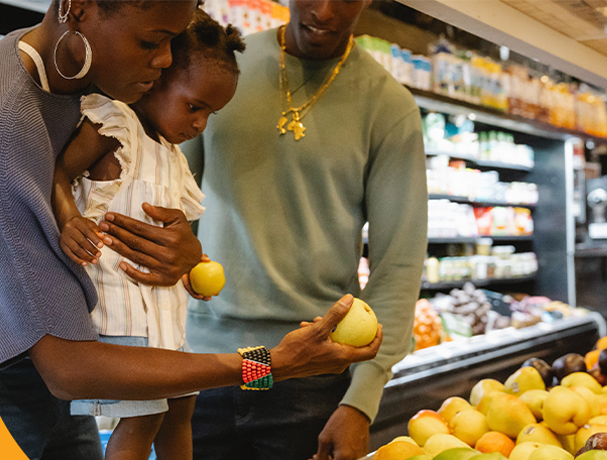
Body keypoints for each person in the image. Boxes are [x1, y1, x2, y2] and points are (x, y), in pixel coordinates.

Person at [0, 1, 382, 459]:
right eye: (154, 39)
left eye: (174, 39)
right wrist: (273, 365)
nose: (168, 60)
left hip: (72, 368)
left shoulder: (97, 73)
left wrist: (187, 253)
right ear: (80, 7)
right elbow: (70, 370)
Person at [181, 1, 429, 459]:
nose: (326, 10)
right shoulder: (222, 66)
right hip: (206, 365)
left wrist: (360, 403)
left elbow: (398, 264)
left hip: (308, 376)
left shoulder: (388, 106)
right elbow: (174, 203)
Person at [51, 10, 245, 460]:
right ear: (155, 78)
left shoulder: (172, 156)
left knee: (182, 405)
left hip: (164, 318)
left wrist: (194, 265)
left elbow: (174, 235)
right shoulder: (117, 125)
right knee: (143, 417)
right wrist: (68, 219)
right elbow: (57, 172)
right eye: (194, 106)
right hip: (122, 316)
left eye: (209, 114)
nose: (199, 124)